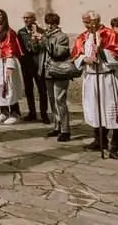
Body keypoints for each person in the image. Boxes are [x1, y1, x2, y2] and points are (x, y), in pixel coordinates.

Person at [72, 11, 118, 159]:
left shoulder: (110, 34)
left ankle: (117, 146)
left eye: (89, 22)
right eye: (84, 22)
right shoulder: (83, 37)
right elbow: (75, 56)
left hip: (108, 79)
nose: (87, 25)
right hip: (91, 78)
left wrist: (102, 52)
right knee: (96, 110)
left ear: (97, 21)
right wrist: (85, 59)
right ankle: (100, 141)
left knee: (113, 112)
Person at [0, 9, 25, 124]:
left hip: (5, 60)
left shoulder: (9, 32)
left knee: (8, 85)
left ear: (4, 17)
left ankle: (15, 112)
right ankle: (4, 111)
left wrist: (10, 66)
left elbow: (11, 49)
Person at [40, 13, 73, 142]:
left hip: (60, 71)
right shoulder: (46, 36)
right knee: (52, 100)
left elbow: (58, 53)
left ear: (56, 24)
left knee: (60, 100)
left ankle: (65, 130)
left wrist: (45, 41)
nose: (49, 26)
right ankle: (57, 126)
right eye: (47, 23)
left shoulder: (62, 36)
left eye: (51, 24)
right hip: (48, 71)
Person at [17, 12, 49, 123]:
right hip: (26, 65)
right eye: (24, 18)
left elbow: (42, 47)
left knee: (42, 90)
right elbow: (20, 49)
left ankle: (44, 114)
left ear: (34, 19)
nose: (26, 20)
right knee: (28, 90)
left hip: (38, 64)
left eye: (28, 18)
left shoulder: (41, 31)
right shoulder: (21, 32)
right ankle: (32, 113)